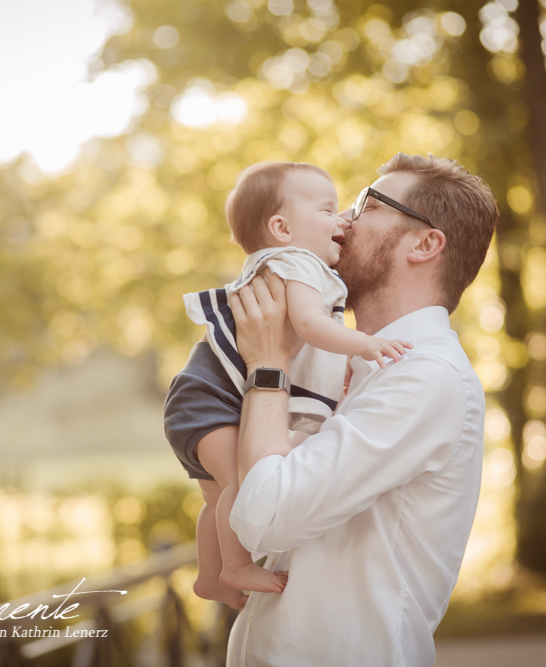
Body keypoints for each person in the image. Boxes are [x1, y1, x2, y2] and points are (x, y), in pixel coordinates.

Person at [226, 153, 498, 666]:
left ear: (424, 243)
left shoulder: (426, 377)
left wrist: (266, 366)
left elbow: (268, 516)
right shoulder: (341, 365)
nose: (343, 220)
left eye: (366, 205)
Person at [163, 162, 411, 610]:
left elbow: (304, 350)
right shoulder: (296, 262)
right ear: (282, 227)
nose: (342, 220)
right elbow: (309, 324)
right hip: (213, 400)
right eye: (328, 209)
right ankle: (235, 568)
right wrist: (366, 344)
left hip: (200, 400)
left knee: (218, 493)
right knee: (239, 481)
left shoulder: (284, 263)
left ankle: (209, 577)